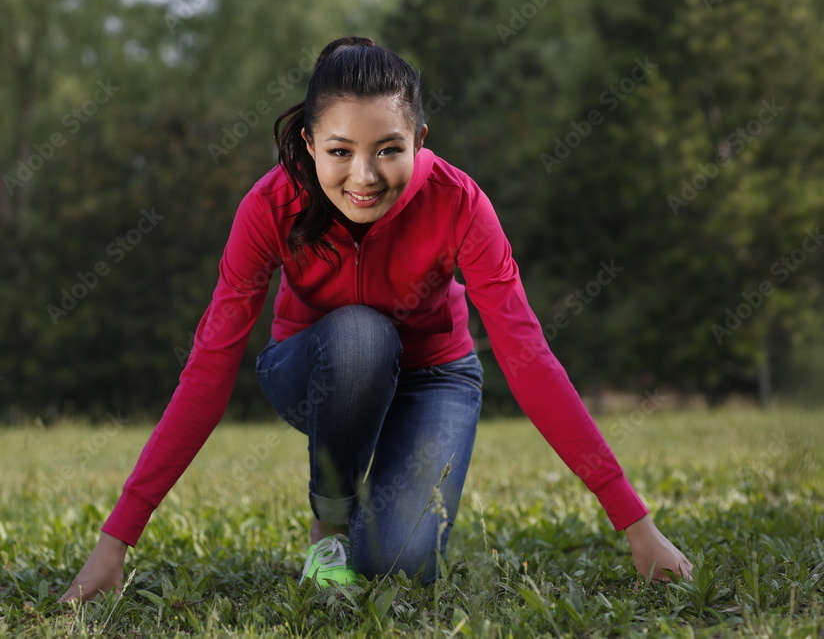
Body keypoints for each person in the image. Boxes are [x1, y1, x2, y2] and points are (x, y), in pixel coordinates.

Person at [59, 35, 692, 602]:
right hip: (315, 367)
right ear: (308, 144)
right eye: (339, 150)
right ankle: (329, 526)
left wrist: (635, 525)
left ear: (420, 141)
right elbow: (208, 369)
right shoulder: (271, 205)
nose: (363, 177)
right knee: (362, 334)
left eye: (388, 149)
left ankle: (374, 527)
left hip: (434, 377)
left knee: (399, 568)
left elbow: (528, 356)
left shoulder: (460, 203)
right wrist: (117, 540)